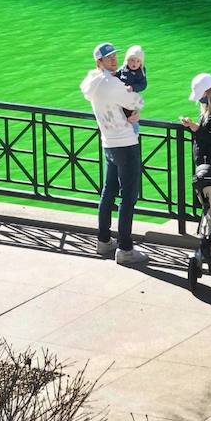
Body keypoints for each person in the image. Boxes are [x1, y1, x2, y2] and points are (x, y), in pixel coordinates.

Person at [81, 41, 147, 265]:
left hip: (108, 142)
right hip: (126, 142)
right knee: (128, 196)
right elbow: (137, 100)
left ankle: (103, 241)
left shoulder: (93, 83)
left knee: (108, 191)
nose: (114, 60)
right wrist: (134, 107)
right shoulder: (112, 83)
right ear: (98, 62)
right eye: (108, 58)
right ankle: (125, 249)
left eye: (115, 56)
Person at [116, 45, 147, 135]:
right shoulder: (123, 69)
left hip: (132, 97)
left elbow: (143, 85)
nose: (134, 63)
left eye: (138, 61)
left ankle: (135, 131)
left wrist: (133, 87)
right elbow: (116, 75)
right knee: (121, 112)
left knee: (132, 114)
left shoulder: (141, 71)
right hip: (122, 96)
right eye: (132, 60)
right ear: (127, 60)